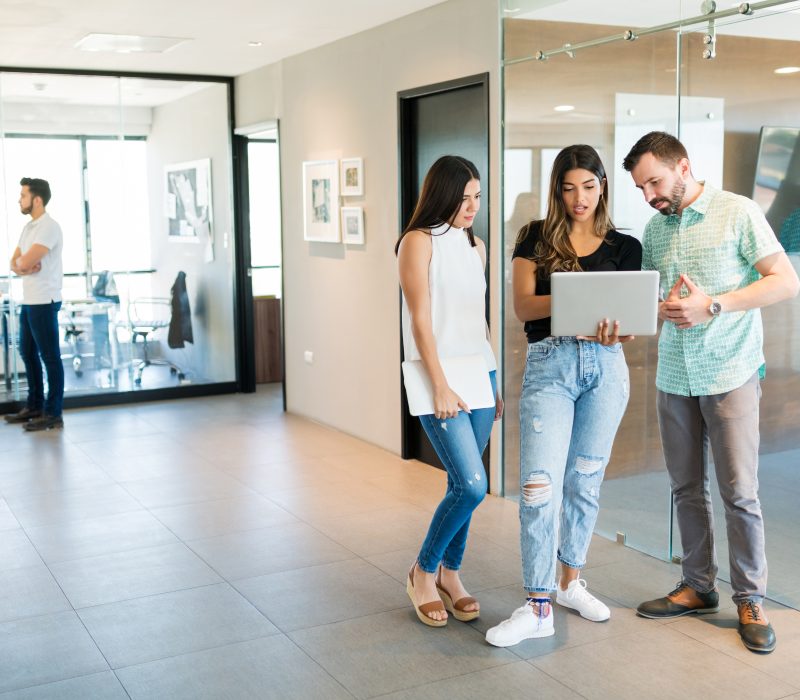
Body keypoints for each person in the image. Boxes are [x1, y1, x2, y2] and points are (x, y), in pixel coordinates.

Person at [623, 131, 800, 654]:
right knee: (684, 488)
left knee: (739, 494)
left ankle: (749, 597)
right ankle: (698, 586)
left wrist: (714, 304)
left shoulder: (737, 211)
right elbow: (659, 295)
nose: (650, 194)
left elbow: (784, 280)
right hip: (674, 376)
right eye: (641, 187)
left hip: (730, 373)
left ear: (683, 166)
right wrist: (654, 309)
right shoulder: (656, 229)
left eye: (655, 181)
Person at [486, 145, 641, 647]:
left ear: (603, 188)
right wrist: (583, 292)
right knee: (538, 486)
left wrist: (616, 322)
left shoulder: (625, 245)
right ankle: (537, 605)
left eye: (590, 187)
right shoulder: (534, 236)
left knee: (586, 480)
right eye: (570, 187)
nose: (580, 198)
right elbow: (524, 307)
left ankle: (571, 582)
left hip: (606, 366)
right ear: (557, 189)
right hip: (550, 365)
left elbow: (629, 320)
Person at [397, 155, 502, 626]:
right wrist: (440, 385)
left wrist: (493, 376)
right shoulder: (416, 243)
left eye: (477, 198)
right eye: (464, 198)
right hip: (437, 375)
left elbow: (477, 318)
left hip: (479, 373)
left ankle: (451, 574)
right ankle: (423, 571)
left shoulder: (475, 245)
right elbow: (421, 320)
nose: (472, 207)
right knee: (473, 485)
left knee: (464, 485)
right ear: (442, 195)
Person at [4, 178, 65, 431]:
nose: (19, 199)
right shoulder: (29, 228)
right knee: (27, 353)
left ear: (37, 199)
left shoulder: (49, 227)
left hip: (44, 299)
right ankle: (35, 405)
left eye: (23, 195)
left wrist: (24, 265)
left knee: (50, 358)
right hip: (29, 300)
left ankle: (53, 413)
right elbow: (14, 262)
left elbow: (25, 262)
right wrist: (24, 266)